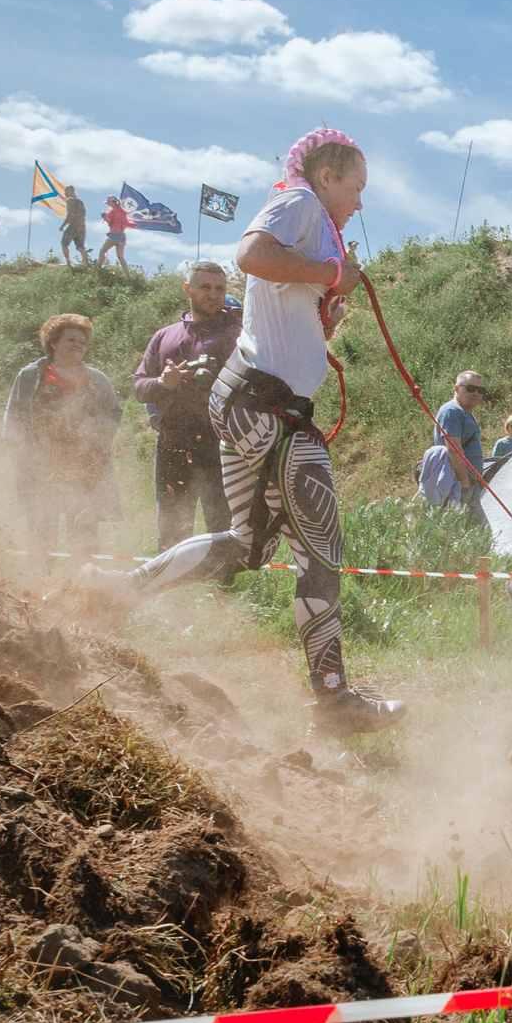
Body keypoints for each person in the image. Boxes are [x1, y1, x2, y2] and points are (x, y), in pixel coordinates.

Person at [90, 129, 403, 736]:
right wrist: (330, 271)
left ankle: (119, 593)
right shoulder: (301, 203)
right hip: (269, 405)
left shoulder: (311, 218)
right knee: (320, 550)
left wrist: (326, 315)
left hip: (258, 399)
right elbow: (251, 255)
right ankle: (333, 701)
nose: (359, 202)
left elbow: (285, 322)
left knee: (246, 545)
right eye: (357, 187)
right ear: (328, 175)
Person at [131, 260, 242, 551]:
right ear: (187, 289)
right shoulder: (164, 336)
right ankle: (169, 593)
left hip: (223, 440)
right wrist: (163, 384)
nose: (213, 294)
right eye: (205, 287)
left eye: (219, 288)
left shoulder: (238, 333)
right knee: (170, 524)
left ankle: (224, 593)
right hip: (173, 439)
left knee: (225, 524)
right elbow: (139, 386)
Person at [2, 313, 122, 558]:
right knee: (42, 530)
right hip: (41, 465)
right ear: (54, 343)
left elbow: (114, 412)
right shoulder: (30, 376)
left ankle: (81, 587)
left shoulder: (96, 379)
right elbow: (14, 414)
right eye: (71, 339)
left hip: (85, 466)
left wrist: (95, 423)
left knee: (84, 531)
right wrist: (18, 451)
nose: (78, 345)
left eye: (82, 341)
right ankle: (40, 584)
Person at [431, 371, 488, 517]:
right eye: (470, 388)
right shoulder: (452, 411)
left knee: (479, 533)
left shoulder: (465, 412)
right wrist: (464, 483)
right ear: (456, 388)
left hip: (470, 485)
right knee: (453, 530)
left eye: (480, 390)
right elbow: (454, 449)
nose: (475, 393)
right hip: (457, 485)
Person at [98, 196, 133, 271]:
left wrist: (105, 217)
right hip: (122, 236)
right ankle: (128, 276)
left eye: (108, 203)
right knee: (120, 257)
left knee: (102, 251)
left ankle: (98, 269)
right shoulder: (122, 210)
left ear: (112, 202)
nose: (108, 204)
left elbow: (109, 221)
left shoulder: (112, 209)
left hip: (114, 234)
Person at [59, 186, 89, 266]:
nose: (65, 193)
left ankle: (68, 263)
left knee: (64, 244)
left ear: (71, 191)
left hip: (74, 225)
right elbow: (84, 213)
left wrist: (63, 225)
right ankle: (86, 263)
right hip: (82, 226)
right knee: (80, 246)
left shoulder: (70, 201)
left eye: (66, 191)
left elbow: (70, 215)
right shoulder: (80, 202)